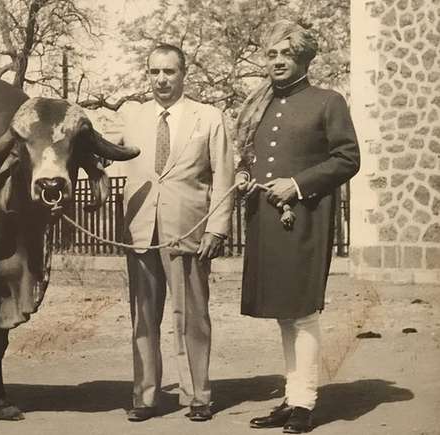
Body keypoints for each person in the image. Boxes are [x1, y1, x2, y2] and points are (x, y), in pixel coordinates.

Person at [234, 20, 360, 433]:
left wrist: (297, 185)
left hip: (304, 217)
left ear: (304, 57)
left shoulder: (328, 101)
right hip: (267, 220)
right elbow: (257, 156)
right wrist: (244, 175)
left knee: (302, 311)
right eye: (271, 54)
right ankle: (292, 397)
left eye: (286, 54)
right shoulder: (260, 104)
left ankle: (306, 402)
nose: (277, 62)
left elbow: (347, 159)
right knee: (284, 315)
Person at [119, 43, 234, 423]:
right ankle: (145, 396)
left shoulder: (208, 116)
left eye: (169, 72)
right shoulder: (132, 118)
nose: (161, 80)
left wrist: (216, 228)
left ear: (184, 73)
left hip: (189, 231)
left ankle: (197, 395)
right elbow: (105, 158)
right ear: (147, 75)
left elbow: (223, 178)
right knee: (143, 318)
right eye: (154, 72)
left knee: (192, 317)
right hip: (141, 232)